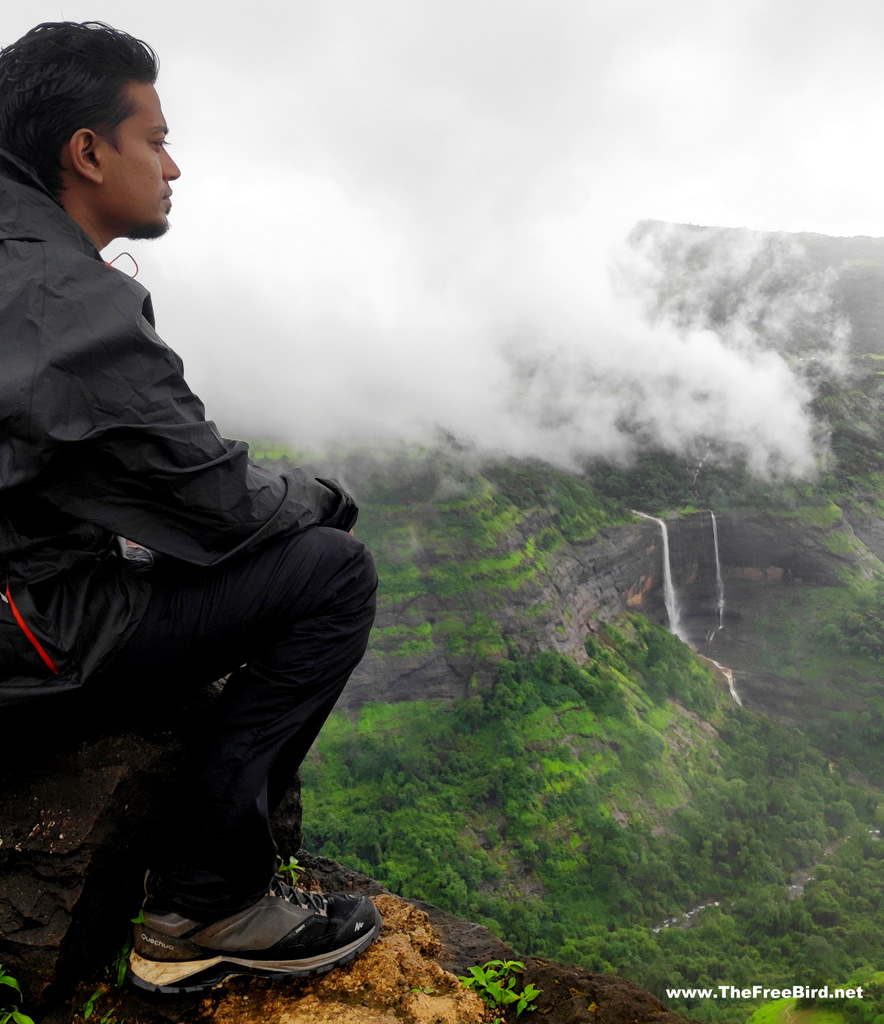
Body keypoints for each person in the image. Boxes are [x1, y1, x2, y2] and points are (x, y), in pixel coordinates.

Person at [0, 21, 382, 994]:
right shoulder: (66, 303)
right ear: (87, 151)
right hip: (24, 633)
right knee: (327, 571)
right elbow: (215, 504)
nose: (175, 167)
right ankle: (204, 907)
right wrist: (322, 496)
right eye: (154, 138)